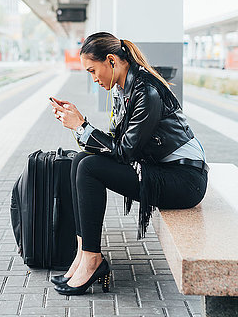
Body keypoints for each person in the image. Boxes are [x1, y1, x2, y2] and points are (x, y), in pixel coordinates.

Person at [50, 32, 208, 296]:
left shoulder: (147, 91)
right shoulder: (123, 89)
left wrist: (83, 127)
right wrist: (80, 127)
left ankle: (92, 261)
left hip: (185, 180)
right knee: (81, 160)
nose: (94, 79)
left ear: (111, 61)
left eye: (93, 70)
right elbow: (115, 144)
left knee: (89, 168)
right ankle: (83, 254)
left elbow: (124, 152)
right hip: (163, 171)